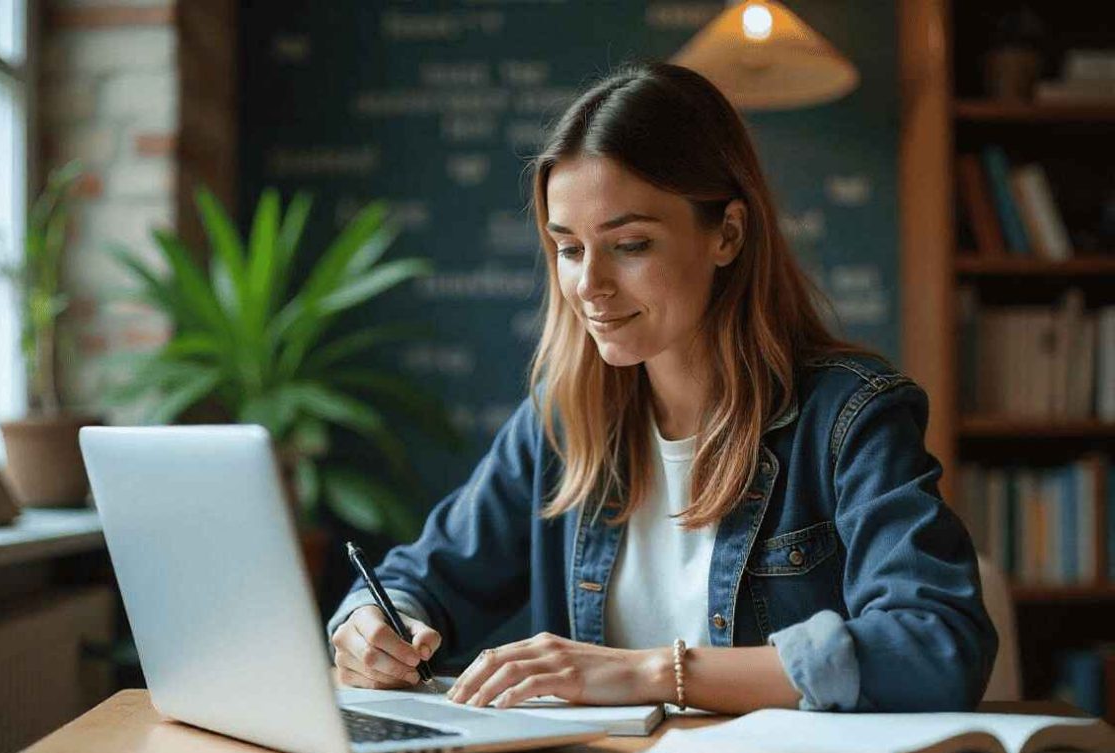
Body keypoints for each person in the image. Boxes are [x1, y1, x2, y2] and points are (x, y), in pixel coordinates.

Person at [326, 61, 997, 714]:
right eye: (568, 247)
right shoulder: (563, 422)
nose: (589, 284)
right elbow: (419, 579)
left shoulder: (850, 417)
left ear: (727, 234)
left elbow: (937, 643)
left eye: (631, 244)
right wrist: (370, 624)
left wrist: (654, 671)